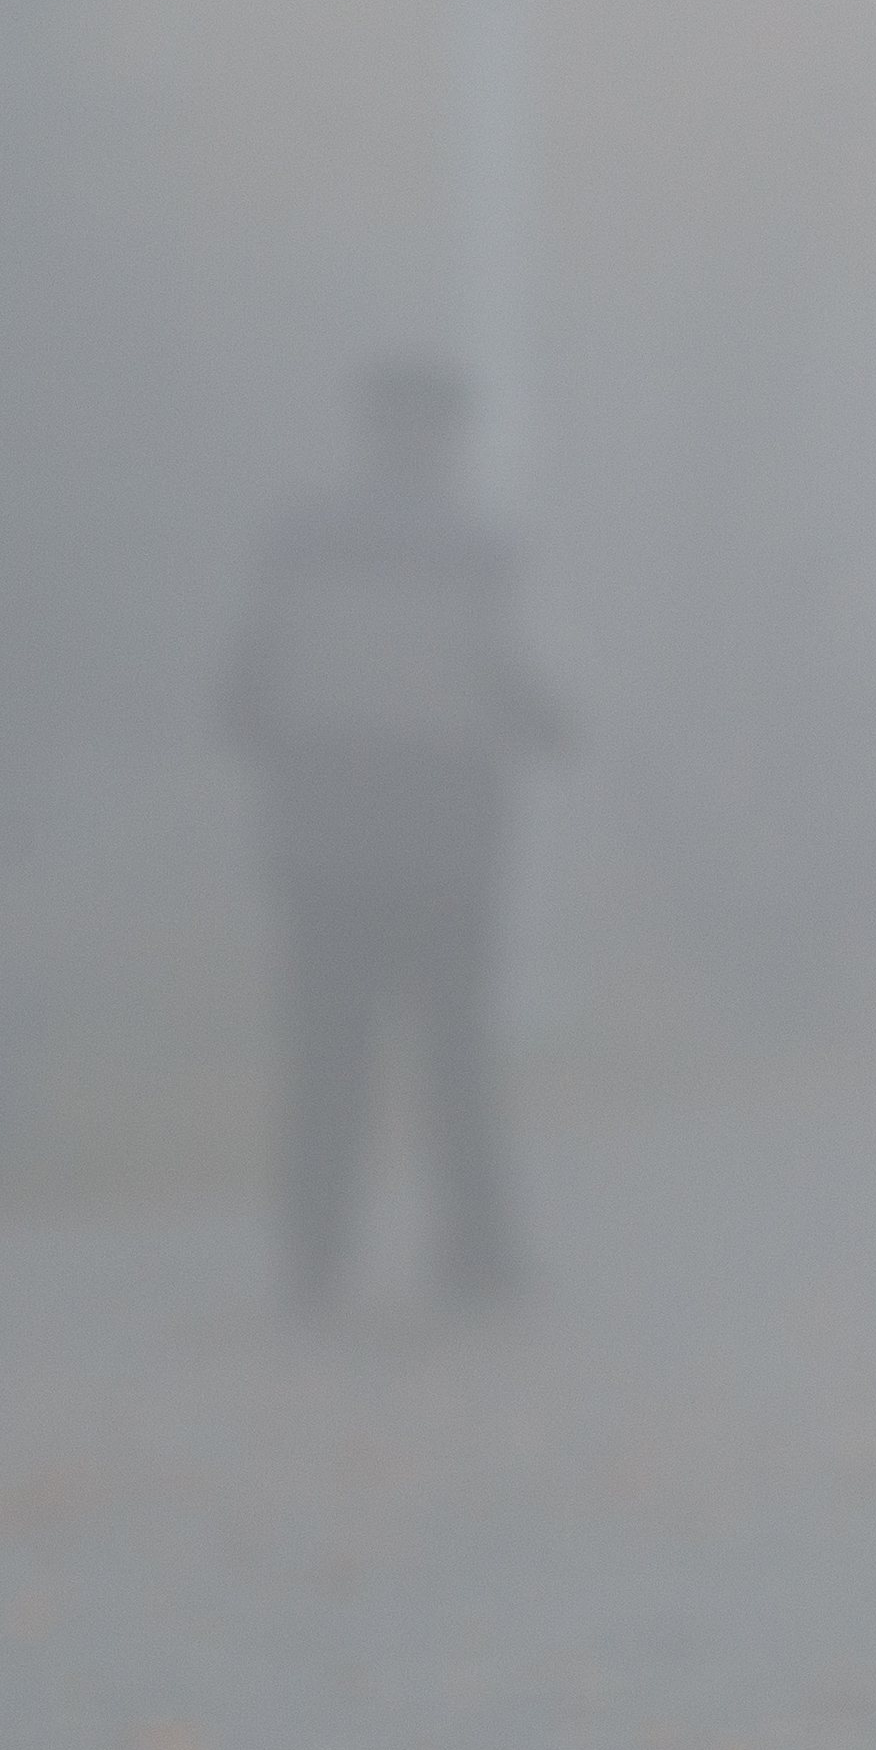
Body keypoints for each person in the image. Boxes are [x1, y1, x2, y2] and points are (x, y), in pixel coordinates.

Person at [224, 353, 564, 1316]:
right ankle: (479, 1254)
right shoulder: (477, 551)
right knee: (454, 1059)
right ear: (447, 438)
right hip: (447, 857)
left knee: (327, 1060)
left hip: (324, 852)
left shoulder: (299, 541)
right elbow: (521, 693)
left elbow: (242, 697)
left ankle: (314, 1259)